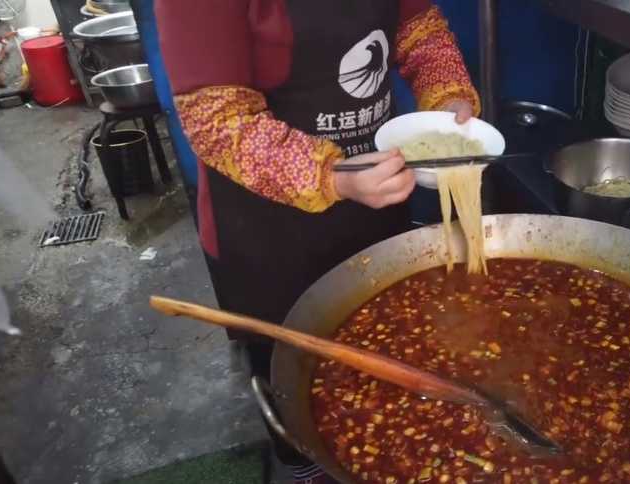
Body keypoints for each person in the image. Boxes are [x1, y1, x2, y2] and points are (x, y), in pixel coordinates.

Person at [154, 1, 480, 482]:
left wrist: (447, 98)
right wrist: (330, 176)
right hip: (268, 232)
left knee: (382, 360)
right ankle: (303, 466)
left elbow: (418, 27)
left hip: (376, 205)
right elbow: (216, 120)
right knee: (296, 389)